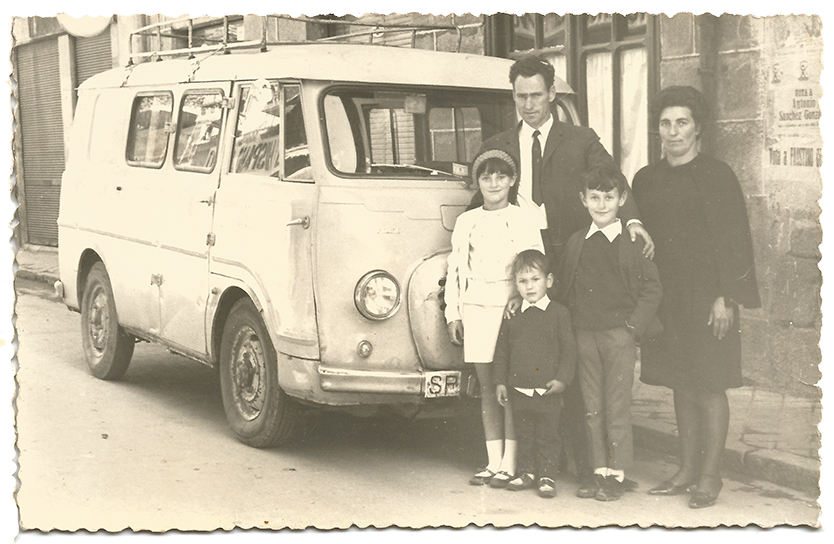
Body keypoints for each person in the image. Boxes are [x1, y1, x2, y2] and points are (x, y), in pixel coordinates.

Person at [474, 53, 655, 497]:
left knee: (573, 364)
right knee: (537, 361)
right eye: (521, 96)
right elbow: (479, 203)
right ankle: (544, 462)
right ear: (513, 96)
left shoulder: (580, 138)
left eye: (537, 95)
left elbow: (614, 181)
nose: (529, 104)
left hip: (574, 262)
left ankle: (586, 464)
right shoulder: (499, 143)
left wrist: (631, 220)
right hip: (525, 269)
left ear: (552, 94)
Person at [631, 86, 761, 509]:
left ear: (697, 127)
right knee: (679, 384)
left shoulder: (717, 174)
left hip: (708, 299)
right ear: (658, 129)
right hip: (668, 298)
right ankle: (686, 469)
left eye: (682, 122)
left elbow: (734, 241)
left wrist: (726, 298)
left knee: (708, 385)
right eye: (666, 123)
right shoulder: (646, 179)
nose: (673, 131)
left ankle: (710, 475)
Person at [559, 164, 662, 501]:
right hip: (584, 335)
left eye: (608, 197)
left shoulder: (632, 242)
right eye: (594, 197)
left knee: (616, 405)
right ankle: (597, 471)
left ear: (622, 199)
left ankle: (616, 474)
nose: (601, 204)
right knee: (591, 405)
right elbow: (566, 288)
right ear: (583, 200)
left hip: (619, 335)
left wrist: (632, 327)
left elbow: (652, 290)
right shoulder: (577, 242)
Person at [445, 149, 545, 487]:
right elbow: (456, 269)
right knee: (487, 388)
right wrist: (453, 312)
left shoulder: (522, 218)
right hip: (476, 308)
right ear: (478, 182)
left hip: (511, 309)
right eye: (486, 177)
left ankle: (511, 463)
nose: (494, 183)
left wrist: (521, 298)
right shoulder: (467, 221)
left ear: (512, 180)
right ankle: (492, 461)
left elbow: (535, 265)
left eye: (501, 176)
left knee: (510, 387)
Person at [493, 249, 576, 498]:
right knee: (525, 434)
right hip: (520, 388)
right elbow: (502, 351)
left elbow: (569, 351)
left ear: (548, 281)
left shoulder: (559, 314)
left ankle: (547, 475)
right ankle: (526, 472)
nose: (529, 287)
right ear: (516, 284)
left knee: (548, 436)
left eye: (535, 279)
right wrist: (500, 382)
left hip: (548, 389)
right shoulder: (513, 315)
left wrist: (562, 379)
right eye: (523, 281)